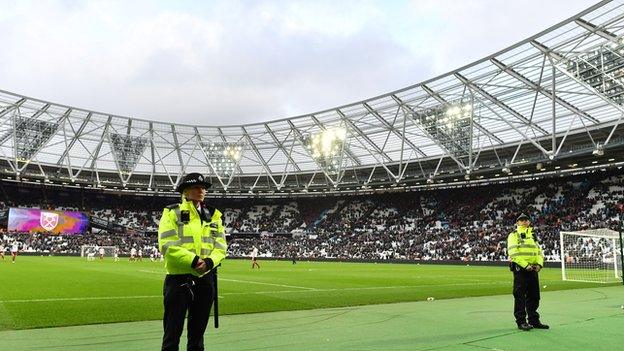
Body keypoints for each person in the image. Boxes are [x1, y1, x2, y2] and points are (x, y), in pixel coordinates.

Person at [158, 172, 227, 351]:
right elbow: (166, 244)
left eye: (203, 188)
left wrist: (210, 262)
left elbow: (221, 246)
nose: (201, 191)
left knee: (197, 337)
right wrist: (195, 260)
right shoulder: (172, 212)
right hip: (178, 279)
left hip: (205, 279)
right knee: (172, 335)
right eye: (196, 187)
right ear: (185, 191)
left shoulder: (214, 215)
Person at [507, 213, 549, 331]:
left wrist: (539, 264)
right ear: (517, 223)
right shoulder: (513, 235)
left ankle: (534, 320)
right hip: (521, 269)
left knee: (534, 296)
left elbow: (539, 252)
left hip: (533, 269)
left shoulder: (533, 236)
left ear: (529, 222)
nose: (524, 221)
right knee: (519, 296)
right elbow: (513, 253)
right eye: (521, 220)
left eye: (526, 220)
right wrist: (526, 265)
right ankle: (521, 321)